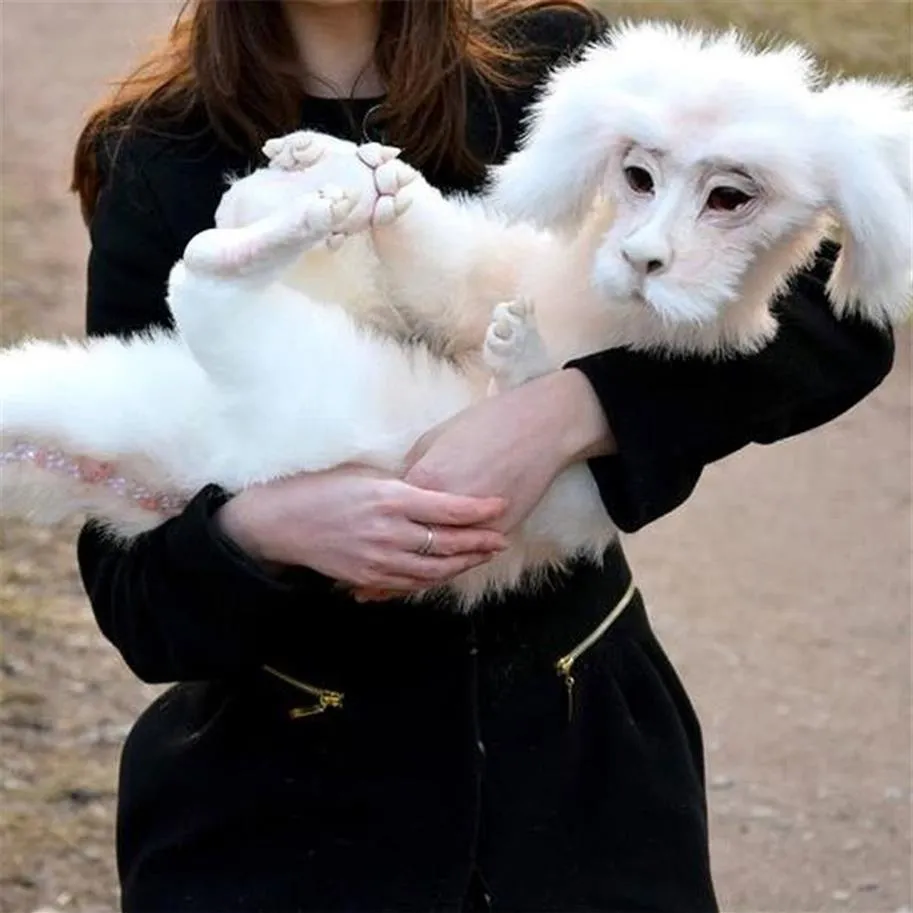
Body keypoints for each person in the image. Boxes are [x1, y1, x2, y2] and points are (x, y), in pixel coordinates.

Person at [71, 1, 894, 910]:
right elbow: (135, 589)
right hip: (281, 808)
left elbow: (838, 319)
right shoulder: (155, 154)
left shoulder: (557, 68)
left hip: (583, 772)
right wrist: (261, 529)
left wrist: (572, 410)